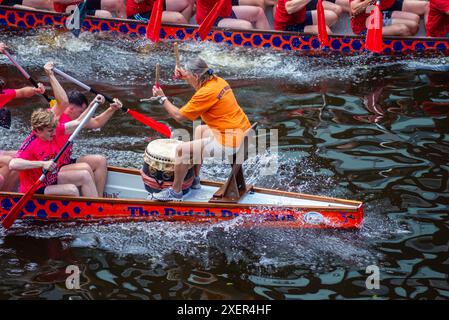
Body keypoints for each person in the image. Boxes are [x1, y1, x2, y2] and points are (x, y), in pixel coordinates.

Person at [150, 57, 252, 201]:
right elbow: (199, 87)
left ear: (196, 76)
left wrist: (162, 99)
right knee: (200, 130)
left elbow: (178, 116)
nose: (187, 79)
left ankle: (175, 192)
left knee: (182, 150)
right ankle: (195, 179)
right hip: (243, 132)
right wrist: (185, 75)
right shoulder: (217, 80)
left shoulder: (205, 93)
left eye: (188, 76)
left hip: (231, 142)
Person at [44, 61, 122, 197]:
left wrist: (111, 109)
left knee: (100, 160)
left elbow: (96, 122)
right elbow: (77, 118)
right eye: (81, 111)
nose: (82, 114)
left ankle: (98, 197)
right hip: (53, 167)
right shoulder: (53, 117)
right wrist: (50, 75)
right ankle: (93, 202)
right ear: (71, 108)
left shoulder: (75, 117)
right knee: (86, 169)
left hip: (65, 162)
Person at [9, 96, 106, 196]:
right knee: (72, 190)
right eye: (50, 131)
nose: (54, 133)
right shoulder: (31, 143)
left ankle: (97, 207)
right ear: (38, 130)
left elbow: (78, 123)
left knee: (85, 176)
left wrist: (93, 104)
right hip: (36, 188)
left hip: (52, 178)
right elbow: (13, 164)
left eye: (54, 129)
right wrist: (42, 164)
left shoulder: (54, 129)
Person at [349, 0, 417, 36]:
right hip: (362, 28)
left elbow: (369, 9)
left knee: (414, 26)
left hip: (375, 17)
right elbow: (354, 9)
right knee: (404, 29)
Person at [196, 0, 271, 30]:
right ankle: (252, 56)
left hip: (225, 10)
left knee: (258, 12)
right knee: (246, 26)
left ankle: (269, 48)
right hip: (210, 19)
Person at [126, 0, 194, 24]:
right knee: (179, 18)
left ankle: (182, 32)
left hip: (155, 5)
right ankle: (185, 41)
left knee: (188, 2)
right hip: (139, 13)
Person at [52, 0, 127, 19]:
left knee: (118, 3)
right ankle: (104, 36)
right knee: (106, 15)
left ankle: (125, 29)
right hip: (68, 9)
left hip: (83, 3)